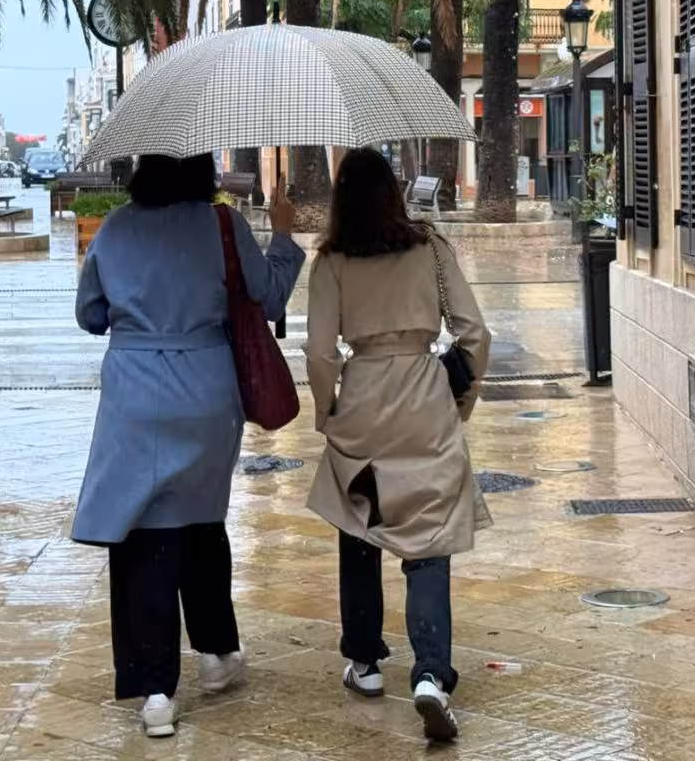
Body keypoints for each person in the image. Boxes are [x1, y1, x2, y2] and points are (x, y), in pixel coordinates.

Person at [73, 154, 303, 738]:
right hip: (206, 391)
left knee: (147, 533)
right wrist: (282, 232)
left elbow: (90, 315)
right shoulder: (222, 224)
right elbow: (269, 297)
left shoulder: (117, 226)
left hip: (134, 393)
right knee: (201, 522)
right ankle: (218, 652)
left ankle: (156, 691)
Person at [303, 147, 491, 742]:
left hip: (362, 398)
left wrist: (327, 410)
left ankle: (364, 663)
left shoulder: (331, 260)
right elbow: (474, 332)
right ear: (393, 190)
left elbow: (319, 351)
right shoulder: (430, 246)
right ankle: (431, 673)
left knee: (360, 524)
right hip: (423, 395)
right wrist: (460, 401)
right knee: (429, 535)